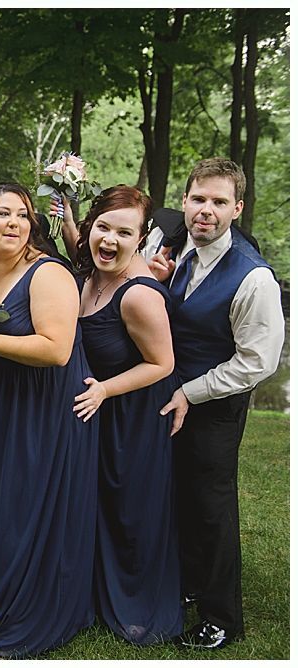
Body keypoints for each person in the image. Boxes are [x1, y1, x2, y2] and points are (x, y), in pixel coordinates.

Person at [0, 182, 96, 659]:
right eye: (3, 214)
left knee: (30, 508)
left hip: (47, 405)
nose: (13, 223)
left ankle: (30, 616)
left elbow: (56, 350)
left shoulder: (47, 273)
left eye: (22, 215)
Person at [147, 158, 284, 650]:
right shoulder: (178, 252)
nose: (206, 210)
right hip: (171, 400)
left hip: (215, 406)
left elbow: (257, 362)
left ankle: (222, 617)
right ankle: (187, 585)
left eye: (219, 202)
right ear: (185, 202)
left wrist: (191, 391)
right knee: (178, 497)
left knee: (211, 507)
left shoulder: (254, 279)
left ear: (237, 208)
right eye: (199, 199)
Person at [69, 186, 183, 644]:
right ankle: (99, 593)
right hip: (101, 413)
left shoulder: (139, 295)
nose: (110, 240)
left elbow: (163, 363)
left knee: (131, 511)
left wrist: (105, 391)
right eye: (103, 228)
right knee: (103, 507)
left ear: (142, 237)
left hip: (133, 416)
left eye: (123, 232)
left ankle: (138, 606)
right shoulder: (91, 278)